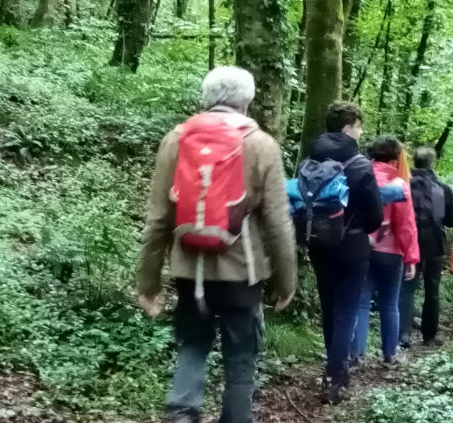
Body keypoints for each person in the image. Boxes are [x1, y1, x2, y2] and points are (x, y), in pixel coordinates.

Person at [136, 66, 297, 423]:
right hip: (244, 273)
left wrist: (147, 283)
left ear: (205, 98)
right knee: (241, 356)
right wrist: (286, 281)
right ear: (247, 100)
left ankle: (181, 413)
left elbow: (158, 219)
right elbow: (278, 222)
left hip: (189, 270)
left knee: (193, 344)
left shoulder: (175, 139)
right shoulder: (261, 144)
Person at [307, 101, 384, 404]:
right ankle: (334, 376)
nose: (361, 132)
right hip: (352, 248)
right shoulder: (360, 164)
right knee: (345, 313)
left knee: (329, 310)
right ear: (347, 127)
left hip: (318, 245)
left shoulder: (311, 159)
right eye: (359, 126)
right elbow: (375, 217)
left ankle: (335, 368)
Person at [350, 136, 419, 365]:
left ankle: (356, 354)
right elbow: (406, 225)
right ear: (395, 157)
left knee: (360, 302)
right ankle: (390, 354)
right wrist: (411, 257)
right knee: (389, 304)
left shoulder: (360, 177)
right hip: (390, 253)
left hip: (362, 248)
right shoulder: (399, 184)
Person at [399, 147, 453, 347]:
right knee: (432, 290)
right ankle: (429, 335)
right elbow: (451, 221)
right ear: (432, 163)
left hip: (408, 244)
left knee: (406, 288)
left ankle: (403, 334)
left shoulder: (403, 185)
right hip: (434, 245)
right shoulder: (443, 188)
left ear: (414, 161)